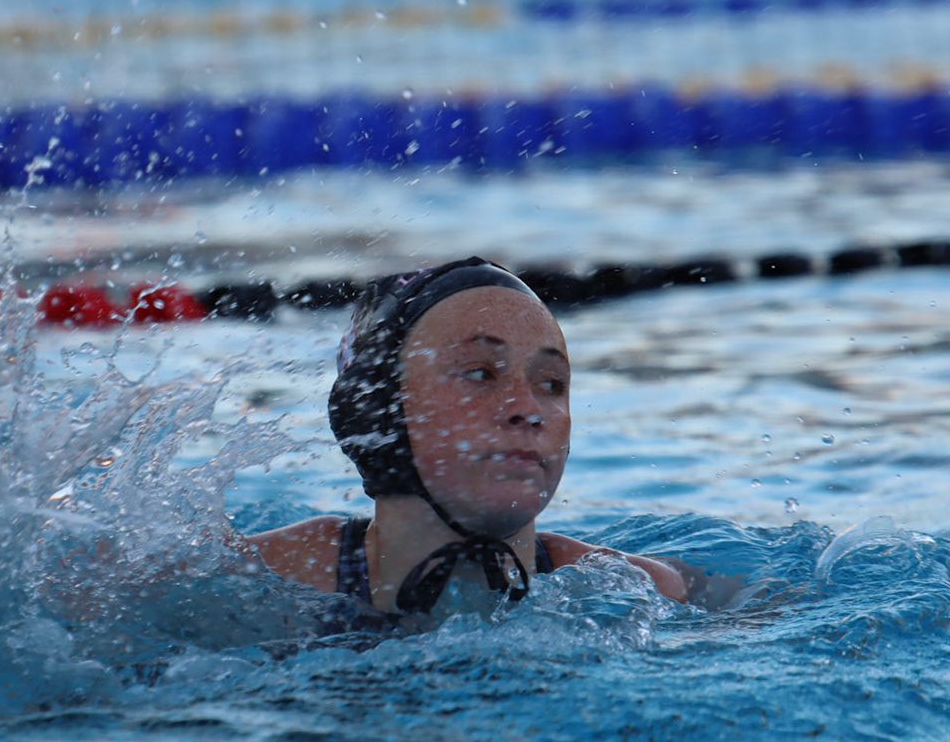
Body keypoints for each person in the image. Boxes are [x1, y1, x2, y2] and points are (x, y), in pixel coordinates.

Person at [244, 257, 689, 617]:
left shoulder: (641, 592)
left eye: (551, 383)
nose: (528, 408)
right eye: (480, 374)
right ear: (376, 411)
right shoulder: (259, 577)